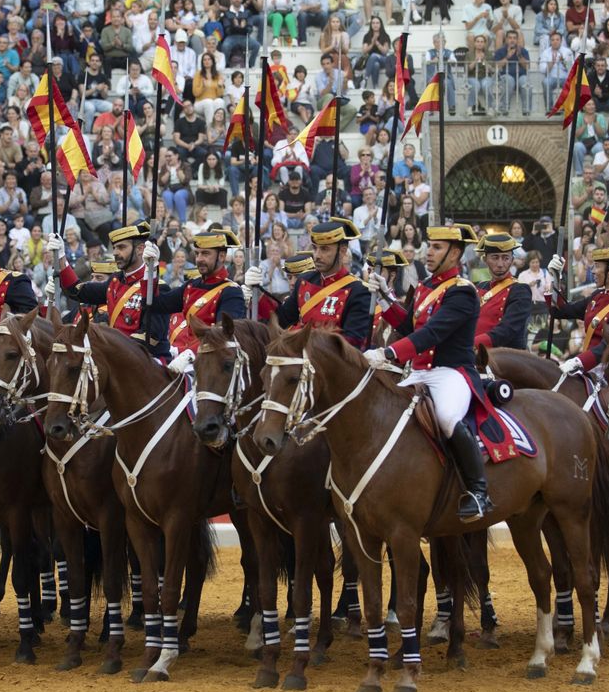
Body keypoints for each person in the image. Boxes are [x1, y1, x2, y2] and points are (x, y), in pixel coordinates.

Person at [365, 223, 490, 523]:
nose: (428, 252)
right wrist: (386, 299)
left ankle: (478, 490)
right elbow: (409, 327)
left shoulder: (462, 292)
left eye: (436, 248)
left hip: (451, 372)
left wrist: (388, 353)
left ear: (455, 253)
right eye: (429, 246)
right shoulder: (425, 287)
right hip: (419, 372)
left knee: (447, 417)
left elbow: (432, 334)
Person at [545, 241, 609, 485]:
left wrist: (580, 360)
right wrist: (554, 280)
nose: (593, 270)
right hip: (586, 367)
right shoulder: (596, 297)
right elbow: (561, 311)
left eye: (597, 266)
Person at [256, 217, 372, 346]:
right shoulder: (305, 280)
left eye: (325, 249)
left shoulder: (358, 291)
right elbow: (281, 319)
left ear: (342, 251)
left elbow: (352, 342)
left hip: (327, 361)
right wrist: (257, 293)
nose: (317, 255)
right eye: (315, 248)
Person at [149, 226, 247, 362]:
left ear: (222, 256)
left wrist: (188, 353)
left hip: (212, 362)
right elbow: (155, 303)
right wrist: (150, 270)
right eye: (197, 254)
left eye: (206, 254)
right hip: (186, 358)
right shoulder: (191, 285)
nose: (199, 259)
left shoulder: (231, 292)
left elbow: (221, 335)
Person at [47, 221, 156, 341]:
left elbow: (151, 338)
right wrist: (61, 256)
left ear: (140, 249)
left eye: (121, 247)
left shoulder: (154, 286)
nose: (115, 253)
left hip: (142, 356)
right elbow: (77, 291)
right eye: (114, 248)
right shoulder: (115, 282)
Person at [471, 231, 532, 349]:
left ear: (512, 260)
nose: (500, 264)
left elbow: (507, 330)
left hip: (505, 359)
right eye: (495, 257)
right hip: (475, 354)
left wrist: (471, 344)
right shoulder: (479, 287)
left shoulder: (520, 291)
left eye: (505, 258)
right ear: (485, 259)